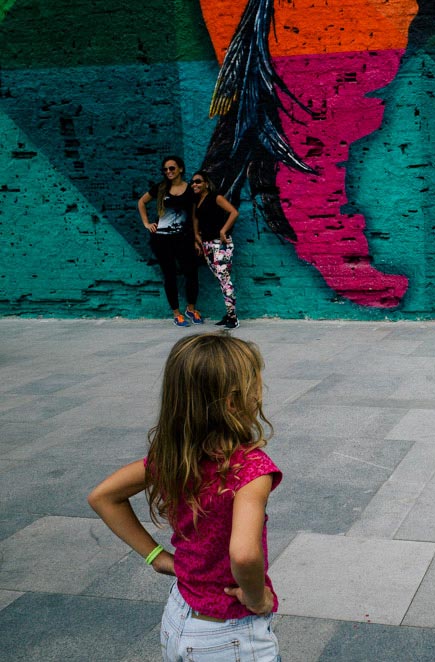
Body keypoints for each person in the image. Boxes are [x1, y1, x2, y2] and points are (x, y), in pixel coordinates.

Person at [88, 333, 282, 661]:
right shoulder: (251, 470)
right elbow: (245, 555)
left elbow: (103, 496)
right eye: (255, 386)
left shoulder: (172, 457)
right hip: (229, 632)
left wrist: (157, 558)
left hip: (178, 616)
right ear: (233, 402)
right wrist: (258, 597)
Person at [138, 156, 204, 327]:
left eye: (172, 168)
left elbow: (195, 215)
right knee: (170, 275)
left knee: (191, 274)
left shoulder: (191, 190)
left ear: (181, 169)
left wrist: (197, 239)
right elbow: (142, 202)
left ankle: (191, 308)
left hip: (184, 239)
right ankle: (177, 313)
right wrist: (147, 224)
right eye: (166, 169)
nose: (168, 172)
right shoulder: (160, 188)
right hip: (161, 240)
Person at [192, 171, 241, 329]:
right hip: (207, 244)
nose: (194, 185)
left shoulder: (215, 197)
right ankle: (228, 314)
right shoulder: (197, 201)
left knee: (225, 280)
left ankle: (233, 318)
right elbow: (195, 219)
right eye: (192, 182)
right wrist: (196, 237)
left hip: (220, 244)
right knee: (222, 280)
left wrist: (223, 230)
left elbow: (234, 212)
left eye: (198, 182)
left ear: (206, 183)